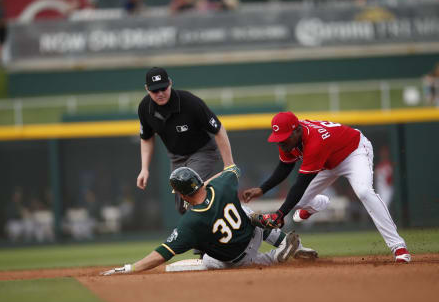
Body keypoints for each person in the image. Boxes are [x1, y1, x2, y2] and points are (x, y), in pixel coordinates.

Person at [242, 112, 411, 263]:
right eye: (279, 138)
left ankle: (398, 246)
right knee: (295, 202)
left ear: (297, 131)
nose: (281, 143)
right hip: (327, 162)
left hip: (353, 153)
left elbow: (301, 183)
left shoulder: (315, 141)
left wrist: (280, 214)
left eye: (284, 138)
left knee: (364, 192)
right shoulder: (289, 140)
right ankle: (315, 205)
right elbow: (285, 167)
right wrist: (262, 189)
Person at [101, 165, 317, 275]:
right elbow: (233, 169)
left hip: (237, 259)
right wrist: (207, 182)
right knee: (244, 210)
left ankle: (277, 256)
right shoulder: (222, 185)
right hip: (253, 231)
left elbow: (163, 253)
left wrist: (131, 268)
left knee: (204, 262)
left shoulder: (191, 222)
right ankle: (285, 243)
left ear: (182, 194)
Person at [137, 67, 234, 215]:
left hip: (203, 152)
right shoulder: (145, 108)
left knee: (192, 197)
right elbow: (146, 138)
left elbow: (218, 129)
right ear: (147, 89)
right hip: (176, 157)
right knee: (182, 207)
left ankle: (219, 228)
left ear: (170, 83)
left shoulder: (190, 102)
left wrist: (229, 165)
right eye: (155, 90)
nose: (160, 93)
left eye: (163, 88)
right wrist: (144, 168)